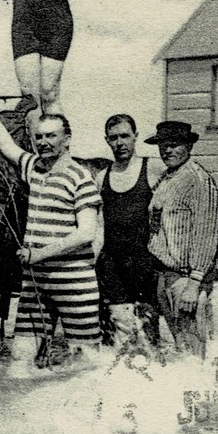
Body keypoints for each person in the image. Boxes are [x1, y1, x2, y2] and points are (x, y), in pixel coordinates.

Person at [0, 108, 102, 367]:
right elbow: (7, 147)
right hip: (36, 283)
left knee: (84, 363)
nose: (43, 143)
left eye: (51, 136)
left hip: (75, 285)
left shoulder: (81, 178)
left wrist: (39, 254)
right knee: (20, 359)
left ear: (67, 139)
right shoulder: (34, 168)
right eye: (38, 137)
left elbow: (86, 233)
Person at [143, 120, 218, 360]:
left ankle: (202, 394)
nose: (167, 151)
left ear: (189, 146)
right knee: (181, 347)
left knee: (196, 349)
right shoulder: (166, 180)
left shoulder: (198, 180)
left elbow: (207, 234)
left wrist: (194, 283)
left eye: (174, 145)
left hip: (187, 280)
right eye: (163, 145)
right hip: (165, 276)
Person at [96, 114, 161, 350]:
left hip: (145, 262)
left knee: (148, 330)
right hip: (113, 263)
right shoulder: (102, 176)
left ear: (135, 137)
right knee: (122, 330)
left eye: (125, 136)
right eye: (113, 138)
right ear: (107, 141)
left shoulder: (152, 168)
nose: (119, 143)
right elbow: (99, 225)